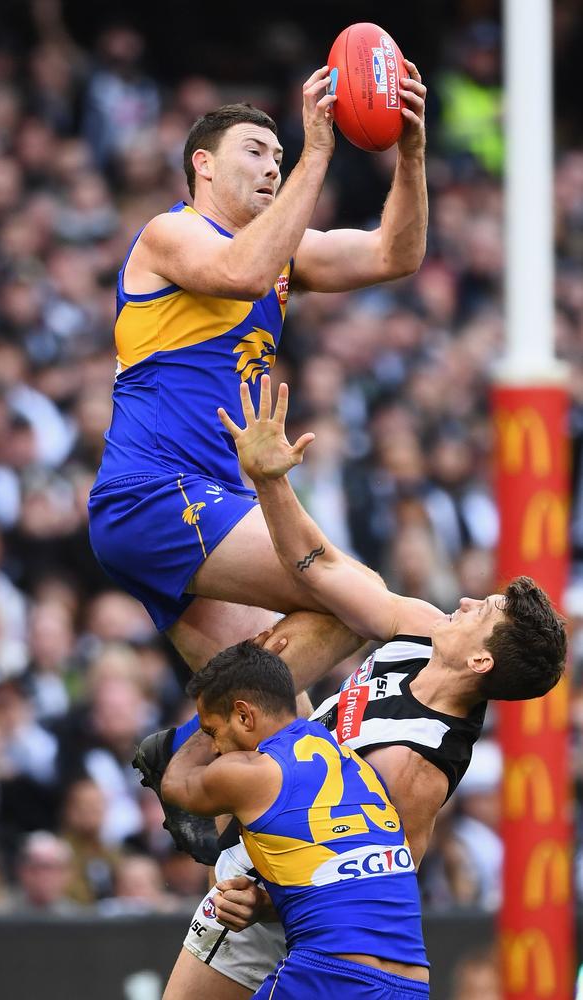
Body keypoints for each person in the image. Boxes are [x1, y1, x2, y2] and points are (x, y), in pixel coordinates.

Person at [152, 375, 565, 998]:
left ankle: (199, 744)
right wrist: (270, 480)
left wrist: (262, 900)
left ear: (481, 663)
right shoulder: (424, 629)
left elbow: (373, 889)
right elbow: (323, 567)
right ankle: (209, 730)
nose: (466, 599)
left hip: (287, 901)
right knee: (343, 598)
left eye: (483, 611)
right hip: (269, 820)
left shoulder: (417, 766)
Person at [88, 63, 428, 672]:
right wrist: (316, 152)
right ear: (204, 164)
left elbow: (394, 254)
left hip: (211, 495)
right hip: (157, 492)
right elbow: (240, 275)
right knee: (354, 593)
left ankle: (180, 758)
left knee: (268, 708)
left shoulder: (282, 255)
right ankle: (470, 642)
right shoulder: (170, 233)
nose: (273, 165)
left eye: (279, 153)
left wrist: (411, 153)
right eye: (256, 151)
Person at [161, 641, 430, 1000]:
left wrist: (190, 733)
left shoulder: (253, 774)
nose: (213, 747)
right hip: (410, 983)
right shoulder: (355, 766)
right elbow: (338, 883)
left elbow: (174, 784)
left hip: (328, 973)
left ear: (243, 715)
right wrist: (261, 905)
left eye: (212, 731)